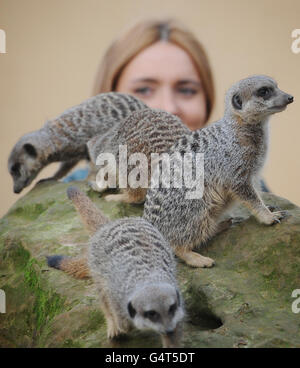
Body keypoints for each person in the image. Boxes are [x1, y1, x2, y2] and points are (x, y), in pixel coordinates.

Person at [64, 18, 214, 182]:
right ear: (107, 102)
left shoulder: (237, 194)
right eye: (144, 90)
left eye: (186, 90)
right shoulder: (67, 197)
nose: (169, 108)